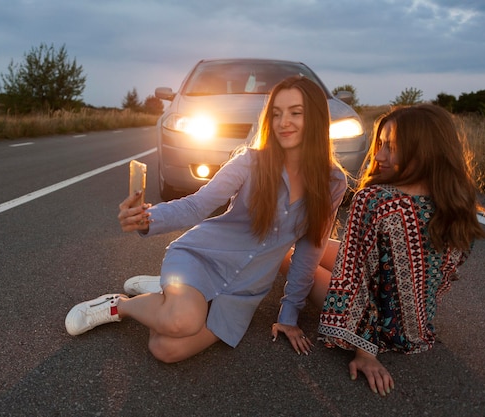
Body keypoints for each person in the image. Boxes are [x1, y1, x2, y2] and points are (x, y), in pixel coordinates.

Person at [65, 76, 347, 362]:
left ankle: (167, 298)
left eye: (295, 113)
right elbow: (196, 205)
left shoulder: (333, 182)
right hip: (203, 257)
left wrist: (289, 314)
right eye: (276, 113)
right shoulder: (249, 162)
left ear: (315, 118)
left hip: (243, 289)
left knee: (166, 349)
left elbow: (310, 250)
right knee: (183, 321)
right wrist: (147, 219)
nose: (283, 121)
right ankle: (119, 306)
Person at [303, 104, 485, 396]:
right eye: (380, 145)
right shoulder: (458, 204)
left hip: (374, 329)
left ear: (423, 150)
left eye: (390, 147)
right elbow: (442, 276)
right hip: (414, 330)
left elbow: (355, 280)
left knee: (296, 259)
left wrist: (365, 352)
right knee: (320, 248)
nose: (378, 156)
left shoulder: (375, 200)